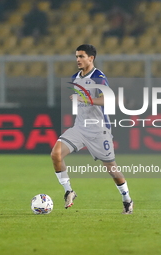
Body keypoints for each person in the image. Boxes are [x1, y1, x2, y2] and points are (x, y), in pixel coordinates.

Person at [50, 44, 134, 214]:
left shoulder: (98, 77)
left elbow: (106, 101)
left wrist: (84, 99)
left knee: (111, 168)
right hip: (79, 128)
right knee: (56, 154)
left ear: (91, 58)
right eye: (76, 57)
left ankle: (127, 199)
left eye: (81, 56)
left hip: (98, 130)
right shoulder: (75, 77)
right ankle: (69, 191)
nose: (78, 60)